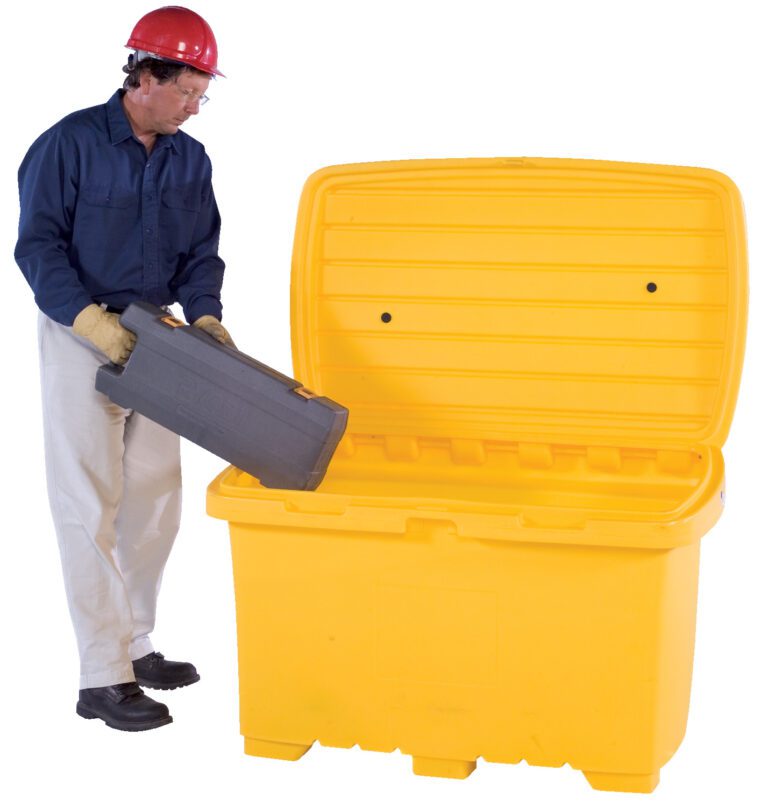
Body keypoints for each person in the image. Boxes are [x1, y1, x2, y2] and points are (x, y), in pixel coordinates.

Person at [14, 6, 234, 732]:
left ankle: (136, 645)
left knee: (155, 495)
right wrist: (88, 322)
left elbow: (202, 247)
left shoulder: (188, 157)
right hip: (82, 330)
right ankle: (100, 676)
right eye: (189, 90)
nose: (197, 105)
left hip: (157, 336)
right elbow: (38, 245)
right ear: (145, 75)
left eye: (203, 92)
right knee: (88, 500)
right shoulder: (68, 144)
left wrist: (204, 313)